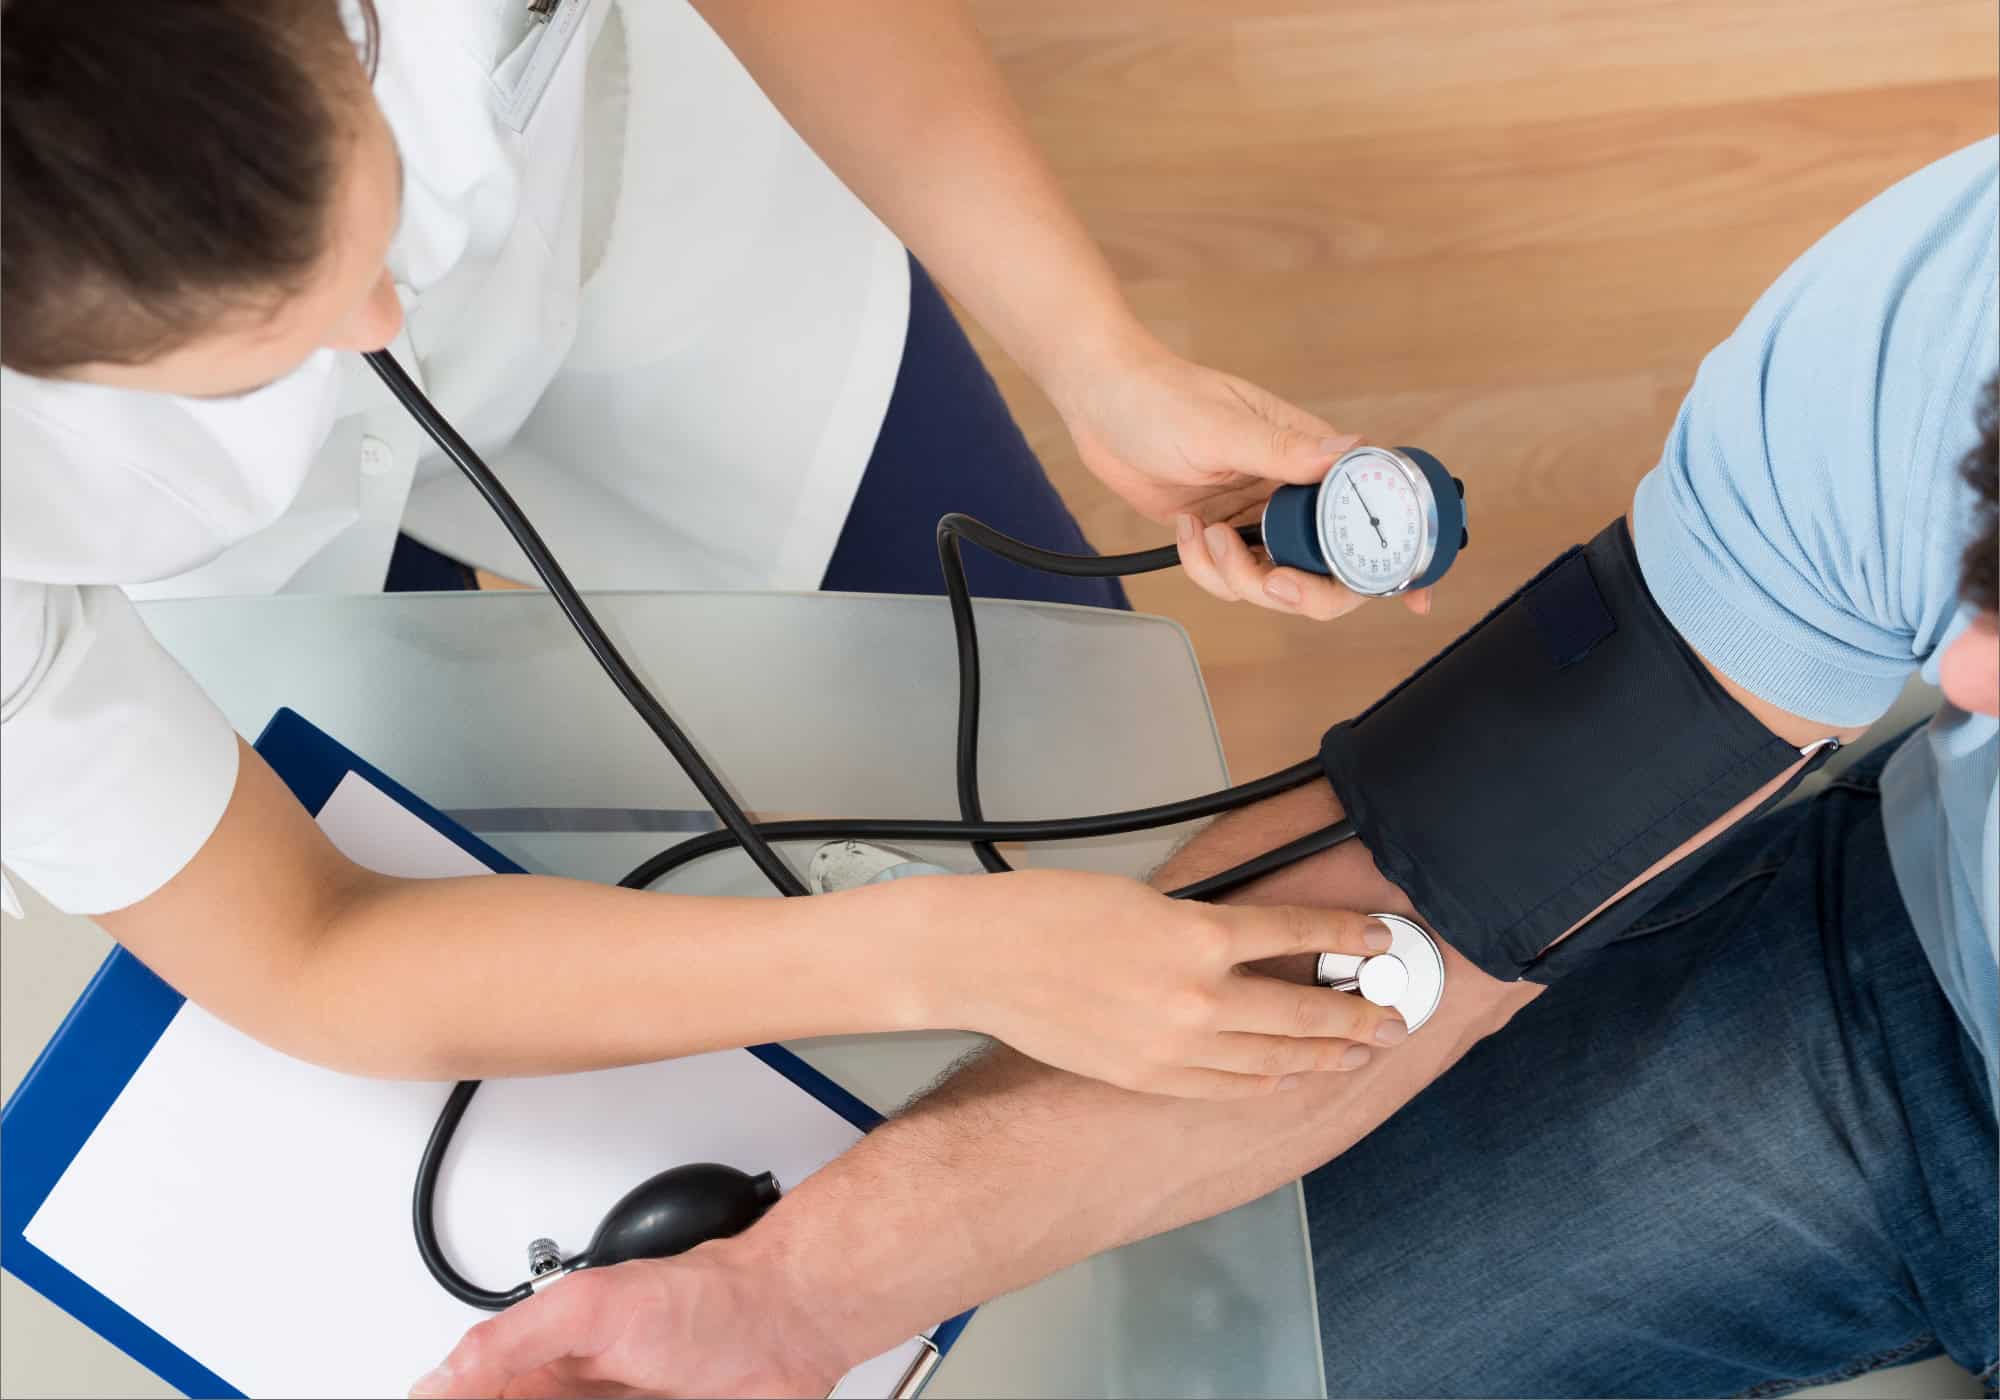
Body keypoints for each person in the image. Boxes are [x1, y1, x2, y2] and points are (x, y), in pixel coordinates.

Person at [416, 140, 2000, 1399]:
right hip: (1914, 1021)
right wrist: (786, 1298)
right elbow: (1436, 882)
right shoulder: (1947, 338)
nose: (1964, 679)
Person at [0, 0, 1427, 1101]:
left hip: (644, 251)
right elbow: (309, 950)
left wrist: (1094, 351)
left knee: (1091, 766)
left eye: (366, 201)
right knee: (536, 948)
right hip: (240, 567)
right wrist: (929, 959)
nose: (380, 327)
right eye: (244, 367)